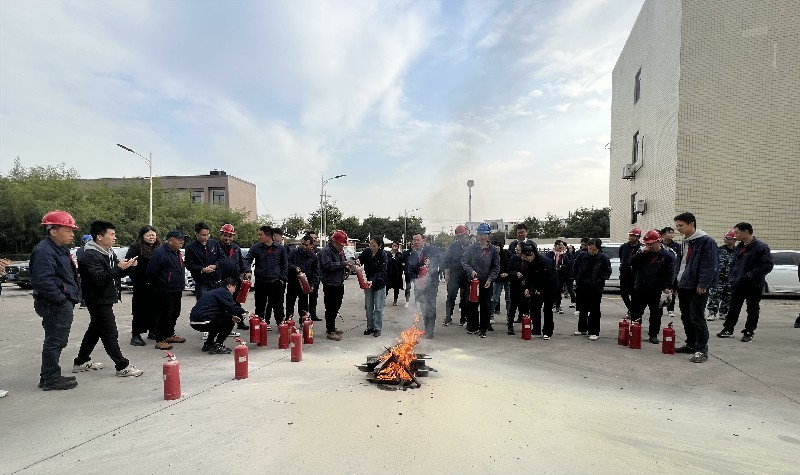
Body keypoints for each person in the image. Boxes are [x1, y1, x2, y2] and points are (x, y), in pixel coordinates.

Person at [73, 220, 143, 377]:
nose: (114, 237)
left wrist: (128, 267)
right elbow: (99, 279)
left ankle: (81, 361)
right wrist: (118, 268)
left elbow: (114, 275)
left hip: (106, 297)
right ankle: (122, 366)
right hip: (97, 298)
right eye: (111, 234)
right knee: (109, 332)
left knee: (95, 330)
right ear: (99, 236)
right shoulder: (89, 255)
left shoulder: (108, 252)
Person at [30, 210, 81, 391]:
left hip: (59, 302)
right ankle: (51, 379)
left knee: (56, 340)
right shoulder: (45, 251)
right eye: (68, 230)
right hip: (54, 304)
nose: (72, 234)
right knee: (55, 341)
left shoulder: (58, 249)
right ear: (53, 231)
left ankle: (48, 376)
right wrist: (61, 299)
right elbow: (42, 281)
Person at [717, 222, 774, 342]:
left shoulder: (760, 247)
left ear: (746, 232)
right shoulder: (739, 246)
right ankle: (728, 329)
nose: (735, 235)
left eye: (737, 232)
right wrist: (732, 277)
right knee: (733, 307)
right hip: (738, 283)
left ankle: (749, 331)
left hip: (753, 284)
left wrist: (750, 275)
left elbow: (767, 265)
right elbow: (735, 264)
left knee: (752, 309)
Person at [673, 212, 718, 363]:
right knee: (686, 316)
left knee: (697, 318)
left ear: (691, 224)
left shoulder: (706, 241)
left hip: (696, 286)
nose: (678, 228)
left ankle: (701, 350)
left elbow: (709, 265)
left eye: (681, 225)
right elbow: (680, 264)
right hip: (683, 285)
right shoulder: (685, 242)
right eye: (677, 225)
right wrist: (675, 283)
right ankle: (691, 344)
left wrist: (703, 284)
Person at [629, 230, 676, 344]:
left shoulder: (667, 256)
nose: (649, 246)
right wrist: (641, 254)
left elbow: (670, 273)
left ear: (659, 242)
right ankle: (635, 332)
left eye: (651, 244)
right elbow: (632, 263)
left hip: (657, 289)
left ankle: (653, 335)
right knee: (636, 312)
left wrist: (668, 287)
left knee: (656, 313)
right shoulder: (642, 253)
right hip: (641, 287)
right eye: (647, 243)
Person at [146, 230, 188, 350]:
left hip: (176, 288)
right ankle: (160, 339)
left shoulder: (177, 253)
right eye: (179, 239)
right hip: (164, 290)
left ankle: (169, 334)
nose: (182, 241)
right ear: (170, 240)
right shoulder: (159, 253)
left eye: (182, 239)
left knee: (175, 313)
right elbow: (151, 272)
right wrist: (160, 285)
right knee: (164, 314)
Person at [189, 278, 250, 354]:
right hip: (204, 321)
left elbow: (216, 310)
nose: (234, 291)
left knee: (219, 321)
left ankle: (209, 343)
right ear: (229, 285)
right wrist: (245, 313)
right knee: (229, 322)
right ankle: (218, 345)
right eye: (234, 287)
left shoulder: (216, 292)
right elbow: (232, 307)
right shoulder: (224, 292)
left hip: (195, 321)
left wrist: (230, 316)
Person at [244, 226, 288, 329]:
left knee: (278, 306)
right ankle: (260, 325)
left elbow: (284, 264)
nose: (259, 237)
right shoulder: (255, 248)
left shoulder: (280, 248)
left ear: (268, 236)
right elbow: (247, 260)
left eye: (261, 235)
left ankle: (281, 325)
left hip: (276, 281)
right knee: (260, 306)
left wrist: (282, 279)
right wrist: (248, 270)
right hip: (261, 281)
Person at [461, 223, 500, 338]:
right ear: (477, 235)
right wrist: (471, 271)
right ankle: (473, 326)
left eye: (485, 234)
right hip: (473, 282)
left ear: (489, 235)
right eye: (480, 234)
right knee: (472, 304)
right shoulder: (471, 248)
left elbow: (496, 267)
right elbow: (464, 261)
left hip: (486, 282)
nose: (482, 237)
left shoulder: (493, 250)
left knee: (486, 305)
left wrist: (490, 279)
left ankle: (483, 328)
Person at [126, 225, 160, 345]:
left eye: (153, 235)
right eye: (148, 235)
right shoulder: (135, 248)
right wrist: (136, 277)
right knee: (140, 310)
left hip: (155, 284)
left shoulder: (158, 247)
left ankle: (153, 331)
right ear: (142, 236)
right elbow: (129, 265)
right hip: (141, 284)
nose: (152, 237)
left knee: (155, 309)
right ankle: (136, 335)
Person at [571, 238, 612, 341]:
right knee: (582, 308)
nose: (591, 251)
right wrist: (577, 278)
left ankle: (594, 332)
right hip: (582, 286)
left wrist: (599, 280)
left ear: (598, 249)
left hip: (596, 288)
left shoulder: (603, 258)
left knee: (595, 310)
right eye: (590, 248)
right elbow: (575, 267)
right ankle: (582, 329)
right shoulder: (582, 255)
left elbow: (607, 272)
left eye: (594, 249)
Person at [521, 243, 558, 340]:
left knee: (547, 309)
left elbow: (548, 277)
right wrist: (527, 288)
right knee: (534, 307)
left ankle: (547, 332)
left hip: (550, 287)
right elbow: (529, 275)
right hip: (537, 287)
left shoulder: (544, 261)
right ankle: (536, 330)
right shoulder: (529, 262)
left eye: (526, 257)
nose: (525, 259)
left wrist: (540, 290)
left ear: (532, 254)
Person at [407, 234, 441, 338]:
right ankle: (427, 327)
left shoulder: (431, 250)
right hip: (419, 285)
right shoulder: (413, 254)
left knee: (430, 306)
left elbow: (440, 259)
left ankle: (430, 330)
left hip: (431, 284)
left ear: (423, 241)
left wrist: (431, 262)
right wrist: (416, 279)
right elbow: (410, 269)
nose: (415, 242)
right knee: (423, 306)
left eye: (418, 240)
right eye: (414, 240)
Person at [217, 223, 249, 330]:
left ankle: (240, 322)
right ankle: (222, 324)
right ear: (221, 235)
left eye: (230, 236)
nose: (227, 238)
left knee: (236, 302)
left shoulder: (236, 248)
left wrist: (246, 271)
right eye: (225, 235)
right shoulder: (216, 248)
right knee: (222, 303)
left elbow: (242, 262)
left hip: (235, 280)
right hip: (222, 280)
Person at [319, 230, 348, 341]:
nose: (342, 247)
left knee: (336, 306)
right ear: (334, 242)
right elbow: (327, 265)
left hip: (339, 282)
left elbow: (343, 262)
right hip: (330, 283)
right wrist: (342, 264)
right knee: (330, 307)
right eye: (341, 244)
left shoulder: (339, 251)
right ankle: (330, 330)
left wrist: (347, 265)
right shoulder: (326, 251)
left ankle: (332, 326)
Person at [358, 237, 388, 337]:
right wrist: (357, 261)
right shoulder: (366, 252)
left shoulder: (383, 255)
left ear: (379, 246)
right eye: (370, 244)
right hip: (367, 283)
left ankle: (377, 328)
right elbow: (360, 259)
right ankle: (369, 327)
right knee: (368, 306)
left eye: (374, 245)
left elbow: (382, 271)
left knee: (378, 308)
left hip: (379, 284)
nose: (371, 247)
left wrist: (373, 280)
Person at [184, 222, 221, 301]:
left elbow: (222, 258)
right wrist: (202, 269)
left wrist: (215, 265)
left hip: (216, 281)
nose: (206, 238)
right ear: (196, 234)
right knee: (204, 305)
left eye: (208, 235)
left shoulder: (214, 243)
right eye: (203, 235)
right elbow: (189, 264)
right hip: (202, 282)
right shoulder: (190, 247)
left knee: (217, 305)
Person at [286, 234, 319, 319]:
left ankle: (303, 321)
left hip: (305, 284)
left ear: (311, 245)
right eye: (302, 244)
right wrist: (294, 268)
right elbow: (287, 263)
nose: (304, 246)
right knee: (290, 304)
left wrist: (312, 285)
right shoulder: (294, 253)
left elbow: (316, 273)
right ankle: (289, 320)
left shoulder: (313, 257)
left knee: (303, 305)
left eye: (306, 245)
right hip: (293, 282)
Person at [706, 230, 736, 321]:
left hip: (731, 279)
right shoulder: (719, 250)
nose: (726, 240)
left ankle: (723, 313)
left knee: (728, 297)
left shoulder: (737, 252)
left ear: (734, 240)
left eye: (729, 238)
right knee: (714, 296)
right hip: (718, 278)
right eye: (725, 238)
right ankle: (712, 313)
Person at [443, 225, 469, 326]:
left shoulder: (470, 246)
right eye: (458, 236)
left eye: (462, 236)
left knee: (465, 298)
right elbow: (446, 259)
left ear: (466, 235)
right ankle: (448, 317)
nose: (460, 238)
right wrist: (446, 273)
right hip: (454, 275)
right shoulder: (453, 246)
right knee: (451, 297)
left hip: (466, 275)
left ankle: (463, 318)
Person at [618, 228, 643, 317]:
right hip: (625, 274)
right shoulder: (624, 247)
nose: (631, 237)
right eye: (630, 235)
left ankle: (632, 311)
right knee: (623, 293)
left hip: (636, 275)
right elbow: (622, 258)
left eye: (633, 236)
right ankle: (632, 309)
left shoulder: (641, 248)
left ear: (638, 237)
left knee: (634, 294)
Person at [505, 243, 529, 334]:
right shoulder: (514, 258)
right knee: (513, 305)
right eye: (516, 250)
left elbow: (532, 271)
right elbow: (509, 270)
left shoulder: (528, 259)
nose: (517, 251)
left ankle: (526, 325)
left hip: (526, 286)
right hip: (515, 285)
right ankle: (510, 326)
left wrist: (526, 278)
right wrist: (515, 273)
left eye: (518, 250)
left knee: (525, 305)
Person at [660, 226, 682, 318]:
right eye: (669, 232)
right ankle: (659, 308)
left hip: (672, 271)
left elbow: (679, 259)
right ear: (663, 235)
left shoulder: (677, 246)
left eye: (672, 232)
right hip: (660, 271)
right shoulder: (659, 245)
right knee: (659, 291)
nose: (671, 234)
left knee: (672, 291)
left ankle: (670, 309)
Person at [545, 240, 572, 314]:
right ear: (555, 246)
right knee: (550, 291)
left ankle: (558, 306)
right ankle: (549, 305)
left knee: (558, 291)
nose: (561, 247)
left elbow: (568, 265)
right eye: (559, 245)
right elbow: (546, 263)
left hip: (560, 276)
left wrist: (561, 267)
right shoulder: (550, 254)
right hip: (551, 276)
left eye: (562, 245)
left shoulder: (564, 255)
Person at [491, 240, 511, 318]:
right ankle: (490, 315)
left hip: (508, 278)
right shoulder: (492, 256)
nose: (496, 248)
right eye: (494, 247)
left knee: (509, 299)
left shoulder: (507, 253)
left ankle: (510, 316)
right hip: (497, 279)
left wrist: (508, 273)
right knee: (495, 298)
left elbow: (512, 264)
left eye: (497, 246)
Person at [306, 231, 322, 321]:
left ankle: (313, 314)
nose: (315, 240)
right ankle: (304, 315)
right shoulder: (303, 251)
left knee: (314, 297)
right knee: (304, 298)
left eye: (316, 238)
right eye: (313, 238)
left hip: (315, 277)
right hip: (305, 277)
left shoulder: (317, 251)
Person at [385, 242, 405, 306]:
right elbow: (386, 263)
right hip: (389, 274)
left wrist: (402, 269)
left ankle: (395, 301)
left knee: (396, 288)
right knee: (387, 288)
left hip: (397, 274)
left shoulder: (400, 255)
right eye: (393, 245)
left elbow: (403, 263)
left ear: (398, 247)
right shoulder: (388, 254)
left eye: (396, 246)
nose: (394, 247)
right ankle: (382, 300)